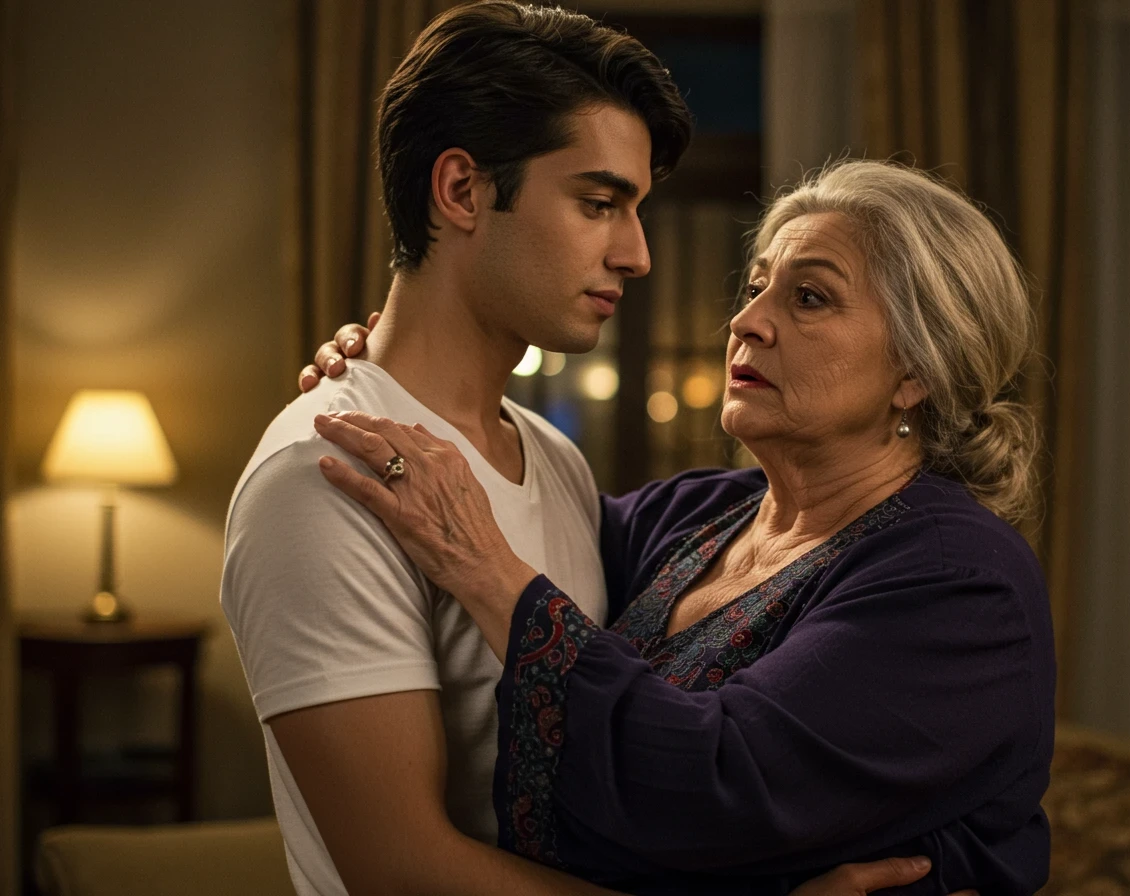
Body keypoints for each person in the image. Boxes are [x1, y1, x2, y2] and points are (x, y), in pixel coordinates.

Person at [224, 3, 954, 895]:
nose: (638, 254)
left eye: (636, 209)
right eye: (598, 203)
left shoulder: (552, 458)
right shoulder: (325, 475)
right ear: (461, 191)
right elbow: (400, 870)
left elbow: (663, 748)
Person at [306, 159, 1055, 895]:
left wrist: (488, 574)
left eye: (810, 298)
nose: (746, 321)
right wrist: (397, 371)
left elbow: (716, 787)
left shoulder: (961, 578)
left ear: (915, 372)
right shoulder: (697, 516)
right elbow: (504, 507)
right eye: (757, 286)